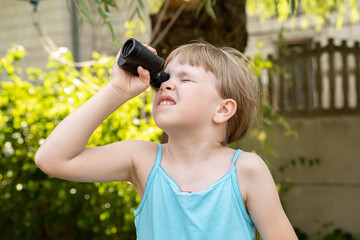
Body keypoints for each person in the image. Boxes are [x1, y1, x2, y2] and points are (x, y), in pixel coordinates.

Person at [35, 40, 298, 240]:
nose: (166, 85)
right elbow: (52, 159)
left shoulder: (246, 170)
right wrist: (116, 91)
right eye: (166, 77)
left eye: (185, 79)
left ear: (223, 110)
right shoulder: (143, 160)